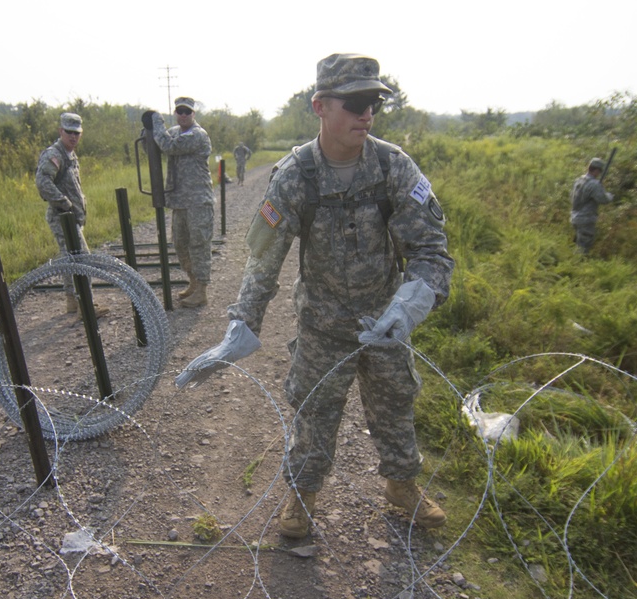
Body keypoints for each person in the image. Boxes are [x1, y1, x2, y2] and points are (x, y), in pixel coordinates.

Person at [175, 54, 455, 538]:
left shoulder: (393, 166)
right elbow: (264, 259)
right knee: (314, 413)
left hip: (385, 318)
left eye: (374, 104)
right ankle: (302, 497)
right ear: (320, 106)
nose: (366, 114)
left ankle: (402, 486)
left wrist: (408, 307)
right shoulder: (295, 175)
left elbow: (430, 249)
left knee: (395, 402)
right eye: (355, 103)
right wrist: (242, 325)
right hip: (322, 325)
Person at [36, 112, 108, 317]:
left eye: (77, 133)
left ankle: (73, 302)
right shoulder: (55, 154)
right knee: (83, 260)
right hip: (62, 218)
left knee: (70, 259)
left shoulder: (70, 155)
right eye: (69, 132)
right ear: (61, 131)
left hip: (71, 218)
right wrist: (64, 203)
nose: (73, 137)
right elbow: (42, 183)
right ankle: (86, 305)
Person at [148, 97, 215, 308]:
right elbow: (158, 145)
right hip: (179, 201)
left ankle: (202, 290)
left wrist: (156, 122)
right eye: (180, 111)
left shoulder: (197, 135)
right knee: (180, 244)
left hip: (198, 201)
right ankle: (193, 283)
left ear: (193, 114)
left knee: (199, 244)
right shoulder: (175, 132)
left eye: (187, 111)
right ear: (176, 113)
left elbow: (168, 146)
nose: (183, 115)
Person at [570, 157, 615, 254]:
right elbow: (603, 200)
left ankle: (572, 263)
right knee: (583, 247)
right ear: (597, 170)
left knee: (579, 244)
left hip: (574, 217)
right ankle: (578, 266)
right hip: (586, 219)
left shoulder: (579, 180)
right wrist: (610, 196)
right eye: (599, 171)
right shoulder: (594, 184)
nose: (599, 174)